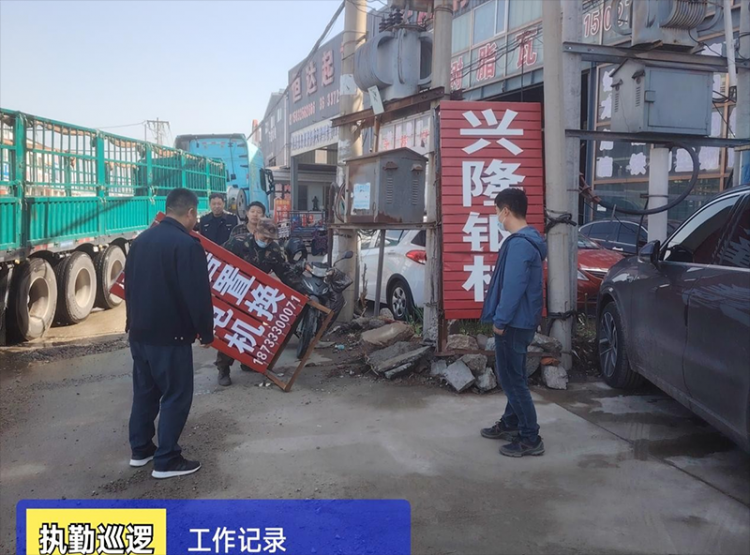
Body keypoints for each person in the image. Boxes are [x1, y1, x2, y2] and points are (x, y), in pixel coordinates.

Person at [125, 188, 214, 479]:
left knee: (145, 392)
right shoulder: (187, 245)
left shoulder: (141, 240)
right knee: (176, 394)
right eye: (195, 215)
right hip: (171, 336)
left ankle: (141, 450)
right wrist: (206, 332)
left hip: (139, 333)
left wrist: (131, 323)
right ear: (190, 212)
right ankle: (167, 460)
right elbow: (197, 295)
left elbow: (128, 287)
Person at [480, 188, 548, 458]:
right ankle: (511, 422)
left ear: (506, 210)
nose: (497, 216)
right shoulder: (528, 240)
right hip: (522, 321)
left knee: (512, 380)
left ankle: (530, 437)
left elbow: (513, 287)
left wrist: (500, 320)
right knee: (515, 375)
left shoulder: (520, 244)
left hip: (513, 323)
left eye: (497, 211)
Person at [214, 218, 303, 386]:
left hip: (255, 297)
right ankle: (223, 368)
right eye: (264, 238)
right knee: (230, 332)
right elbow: (219, 259)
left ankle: (248, 361)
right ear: (255, 232)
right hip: (234, 292)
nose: (267, 242)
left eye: (270, 239)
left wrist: (302, 291)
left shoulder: (274, 250)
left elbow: (285, 273)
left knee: (253, 331)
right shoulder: (237, 243)